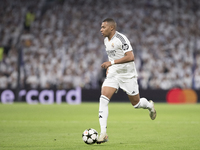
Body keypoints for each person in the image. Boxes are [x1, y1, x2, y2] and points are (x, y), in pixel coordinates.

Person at [97, 18, 157, 144]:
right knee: (103, 98)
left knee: (136, 104)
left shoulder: (121, 39)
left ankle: (149, 106)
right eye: (101, 27)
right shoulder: (105, 40)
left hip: (128, 75)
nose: (101, 29)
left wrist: (111, 63)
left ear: (111, 28)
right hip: (114, 74)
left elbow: (130, 57)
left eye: (103, 27)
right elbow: (112, 55)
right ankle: (103, 133)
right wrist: (110, 66)